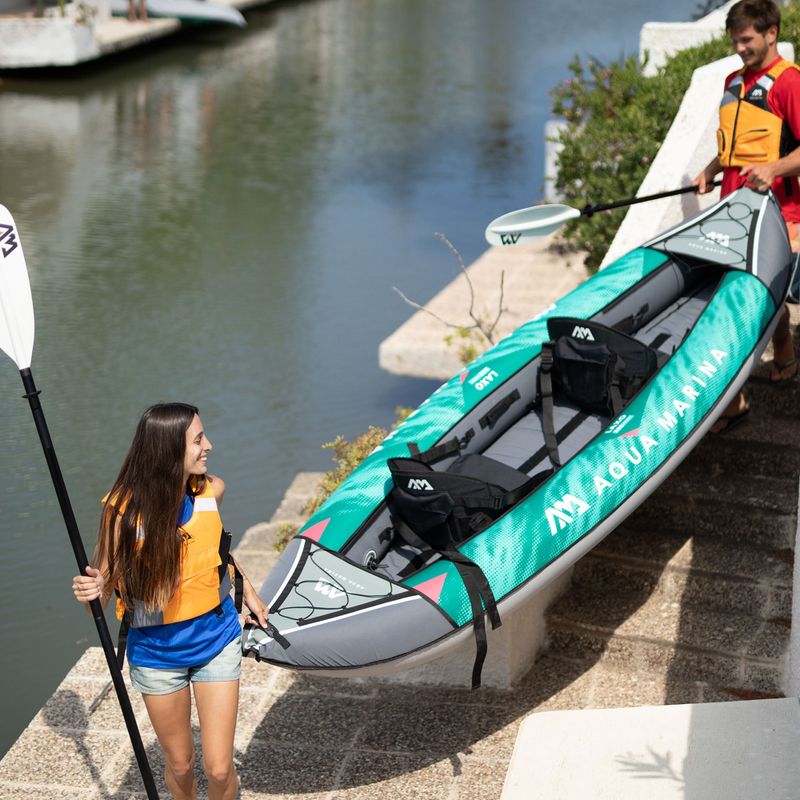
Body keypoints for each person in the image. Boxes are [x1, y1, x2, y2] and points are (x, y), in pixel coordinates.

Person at [72, 403, 268, 800]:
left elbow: (214, 548)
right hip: (158, 654)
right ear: (167, 451)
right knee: (179, 764)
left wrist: (248, 590)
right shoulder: (121, 513)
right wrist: (92, 591)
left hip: (217, 642)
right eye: (198, 440)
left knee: (218, 766)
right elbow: (104, 583)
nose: (208, 445)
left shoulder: (212, 490)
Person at [694, 0, 800, 432]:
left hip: (780, 213)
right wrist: (712, 168)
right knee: (749, 296)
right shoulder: (732, 81)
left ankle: (732, 402)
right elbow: (736, 144)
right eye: (735, 40)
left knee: (742, 304)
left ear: (771, 33)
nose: (740, 48)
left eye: (747, 39)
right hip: (733, 210)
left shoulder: (789, 84)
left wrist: (774, 169)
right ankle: (786, 352)